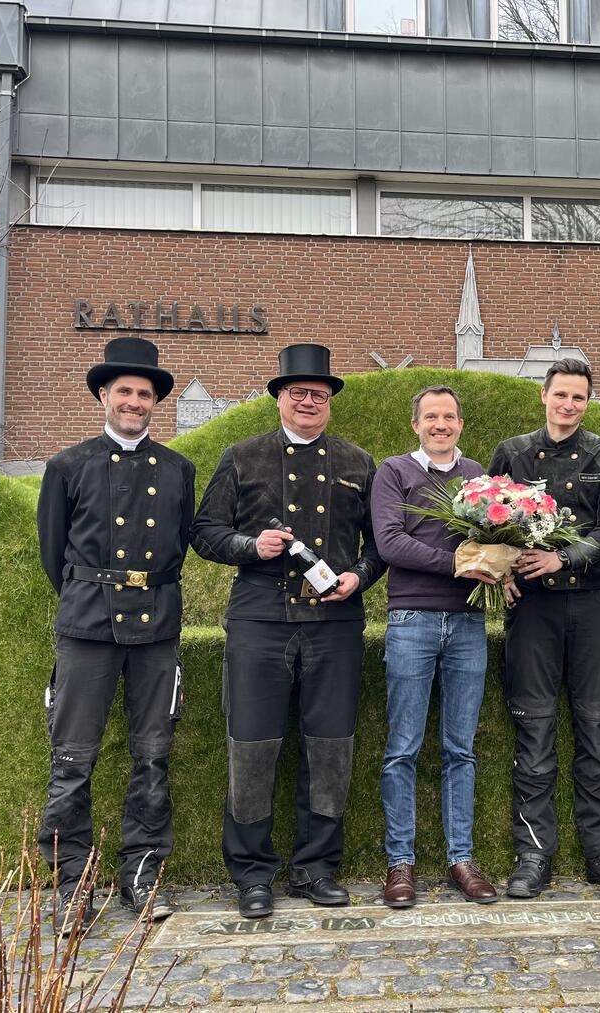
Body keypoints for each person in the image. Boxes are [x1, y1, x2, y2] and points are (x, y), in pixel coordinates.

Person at [191, 343, 385, 920]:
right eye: (298, 393)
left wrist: (359, 576)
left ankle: (316, 868)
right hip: (260, 617)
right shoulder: (242, 457)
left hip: (335, 622)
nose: (308, 402)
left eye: (318, 395)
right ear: (279, 397)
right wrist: (251, 547)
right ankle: (252, 874)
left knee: (331, 747)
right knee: (252, 745)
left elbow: (379, 546)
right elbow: (205, 532)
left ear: (329, 403)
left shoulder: (357, 462)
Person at [36, 336, 195, 935]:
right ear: (104, 395)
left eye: (144, 394)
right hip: (88, 625)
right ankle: (71, 885)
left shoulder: (179, 469)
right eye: (124, 391)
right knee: (73, 759)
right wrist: (92, 597)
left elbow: (177, 548)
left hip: (156, 627)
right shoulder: (68, 465)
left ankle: (142, 877)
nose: (134, 401)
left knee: (152, 756)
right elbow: (56, 554)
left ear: (155, 402)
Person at [488, 358, 600, 899]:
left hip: (590, 603)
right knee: (534, 730)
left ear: (587, 402)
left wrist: (564, 558)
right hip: (532, 611)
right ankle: (533, 855)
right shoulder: (512, 452)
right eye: (561, 395)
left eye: (579, 397)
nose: (569, 405)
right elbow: (489, 519)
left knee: (597, 727)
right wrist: (501, 572)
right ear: (544, 396)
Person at [371, 384, 498, 907]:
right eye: (431, 417)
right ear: (415, 424)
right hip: (411, 620)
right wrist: (458, 564)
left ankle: (460, 860)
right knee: (403, 748)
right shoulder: (394, 472)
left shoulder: (479, 479)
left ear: (460, 424)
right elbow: (390, 543)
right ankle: (400, 864)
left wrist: (500, 564)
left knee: (460, 749)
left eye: (449, 416)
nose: (440, 424)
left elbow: (498, 540)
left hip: (468, 625)